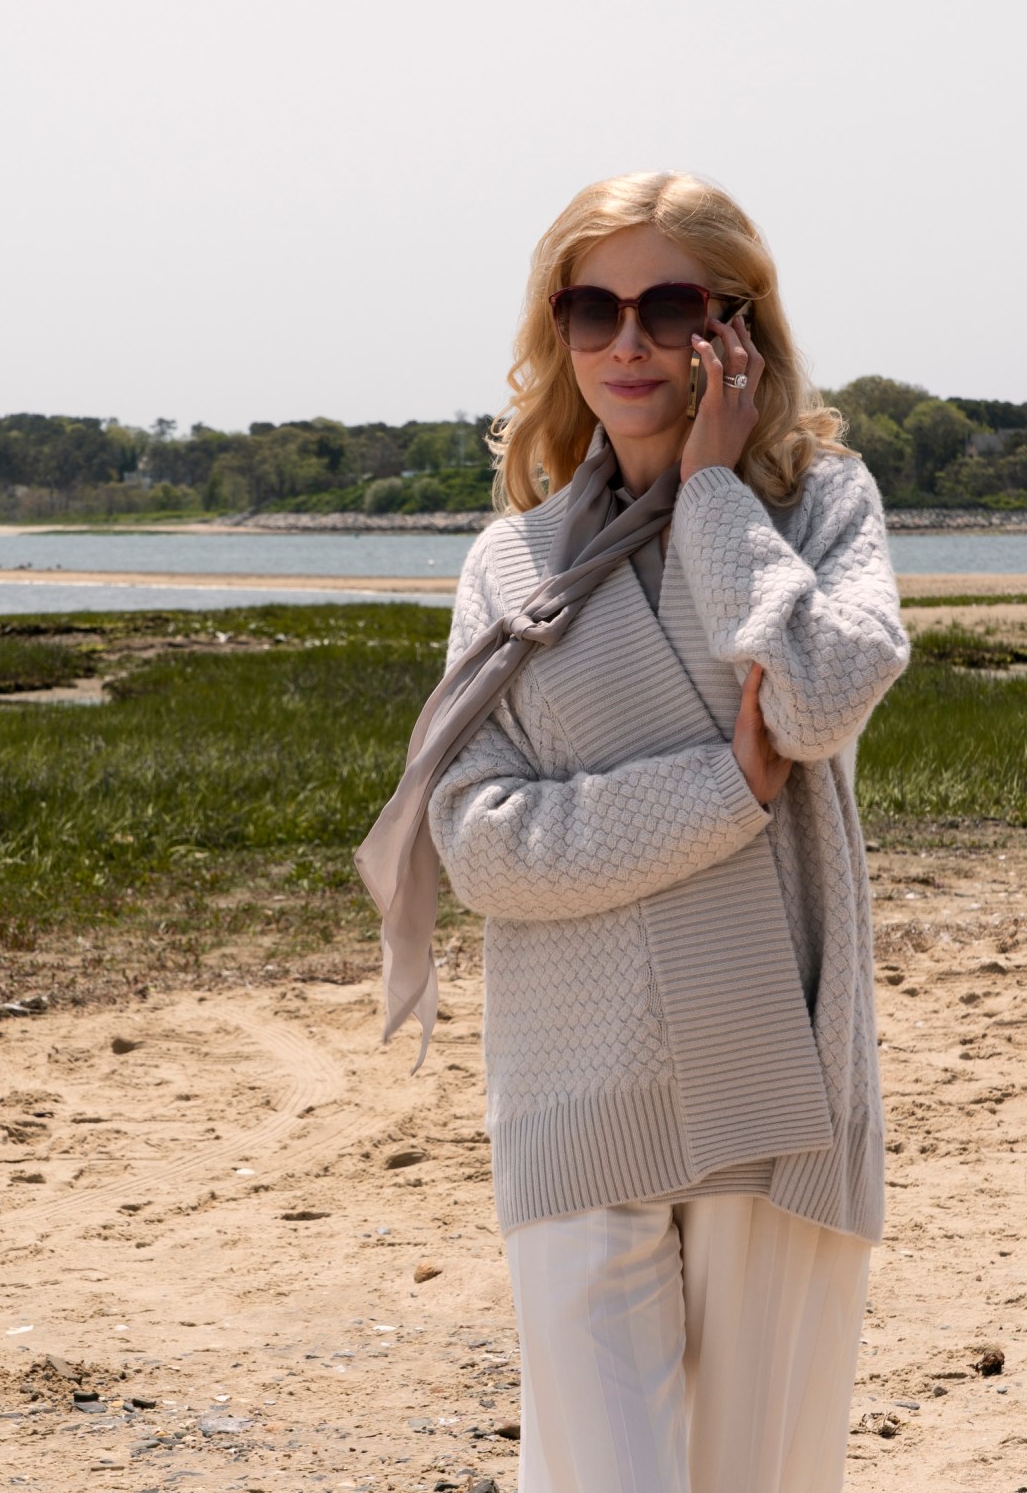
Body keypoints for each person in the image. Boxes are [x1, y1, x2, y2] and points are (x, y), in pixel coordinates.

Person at [358, 171, 909, 1491]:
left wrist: (718, 496)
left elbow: (825, 694)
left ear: (738, 325)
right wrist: (721, 793)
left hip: (769, 1084)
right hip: (573, 1087)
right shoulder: (512, 565)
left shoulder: (820, 508)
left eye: (668, 307)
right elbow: (481, 842)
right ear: (557, 330)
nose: (627, 343)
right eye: (591, 308)